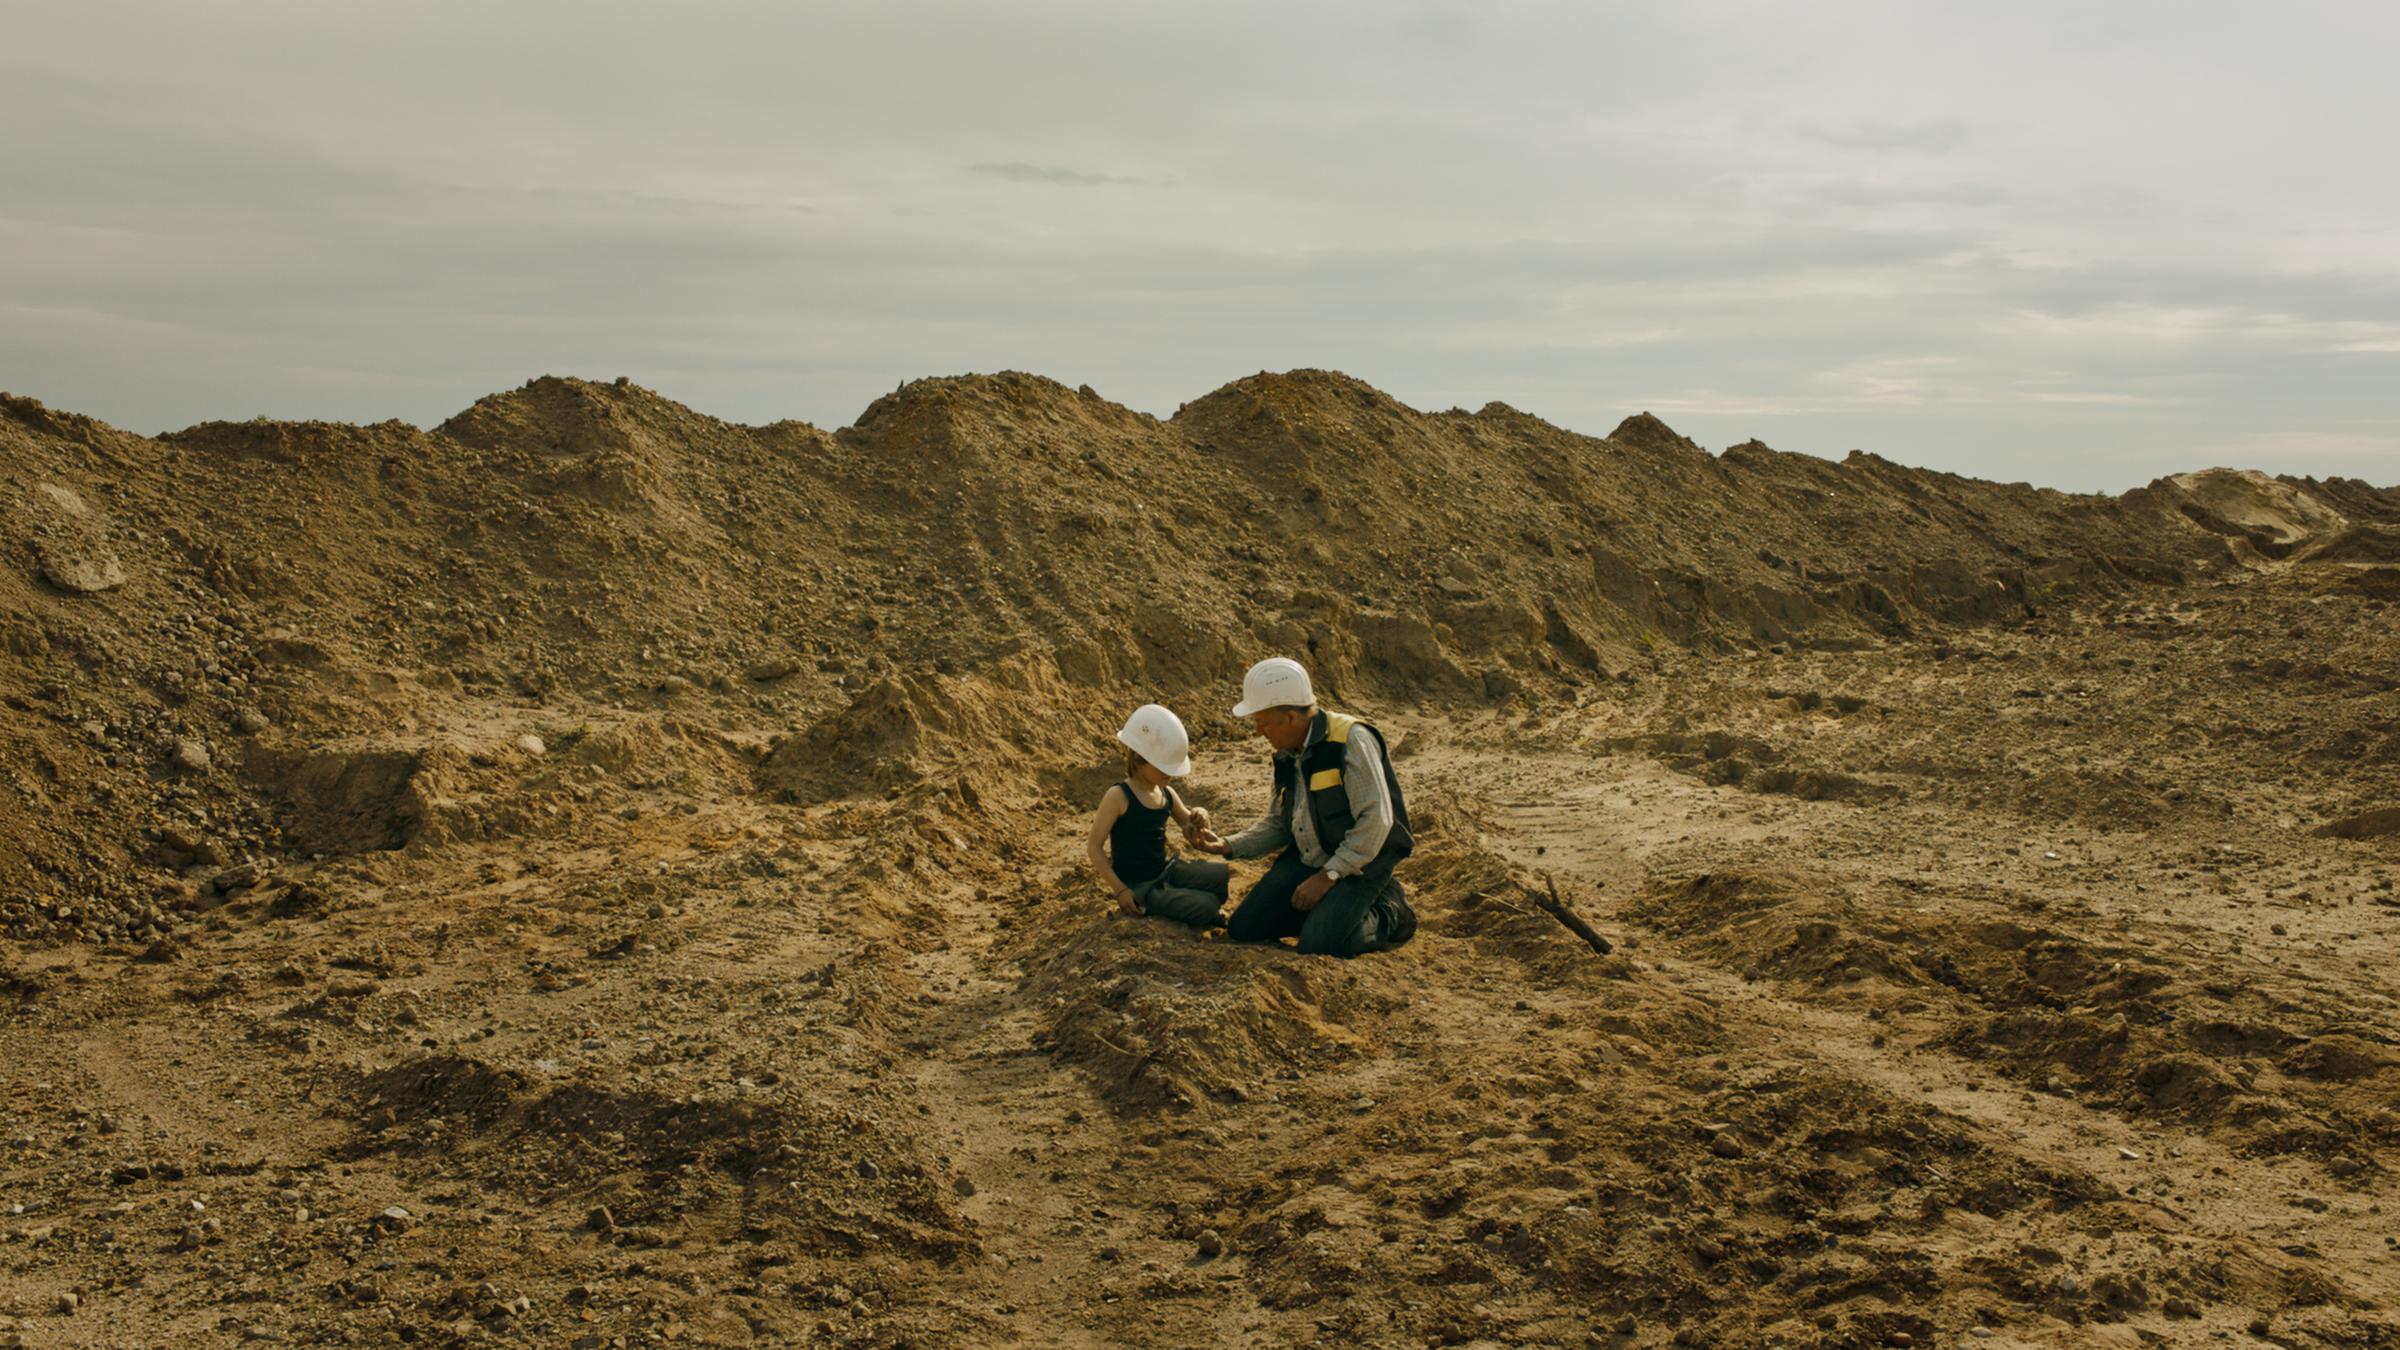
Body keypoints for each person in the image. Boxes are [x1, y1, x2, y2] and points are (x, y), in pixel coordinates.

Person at [1193, 658, 1417, 957]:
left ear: (1290, 718)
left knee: (1320, 945)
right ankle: (1333, 912)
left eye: (1263, 722)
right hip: (1312, 858)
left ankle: (1391, 909)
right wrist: (1226, 845)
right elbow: (1279, 824)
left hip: (1364, 862)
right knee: (1244, 929)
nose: (1259, 731)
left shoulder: (1350, 740)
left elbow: (1377, 819)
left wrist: (1329, 876)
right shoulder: (1287, 755)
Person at [1085, 703, 1230, 928]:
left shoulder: (1165, 792)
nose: (1170, 775)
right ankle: (1178, 904)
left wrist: (1201, 815)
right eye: (1164, 769)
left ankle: (1181, 898)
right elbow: (1094, 846)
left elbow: (1188, 821)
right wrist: (1121, 890)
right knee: (1207, 904)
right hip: (1142, 886)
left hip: (1166, 870)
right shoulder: (1118, 796)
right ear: (1138, 758)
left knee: (1220, 874)